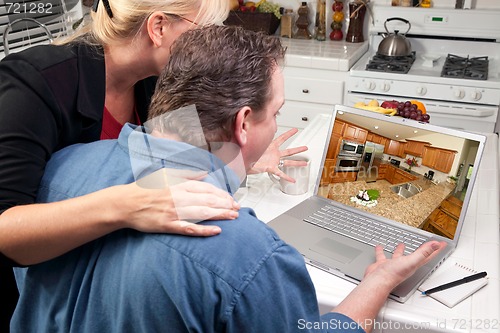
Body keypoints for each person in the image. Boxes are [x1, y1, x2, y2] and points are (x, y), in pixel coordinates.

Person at [12, 25, 446, 333]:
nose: (276, 123)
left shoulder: (61, 168)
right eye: (275, 113)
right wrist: (379, 280)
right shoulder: (249, 255)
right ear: (243, 123)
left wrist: (240, 163)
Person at [0, 0, 306, 329]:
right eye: (203, 30)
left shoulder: (155, 82)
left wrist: (243, 155)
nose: (210, 43)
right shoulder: (35, 85)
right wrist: (127, 204)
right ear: (158, 27)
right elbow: (6, 229)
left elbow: (183, 154)